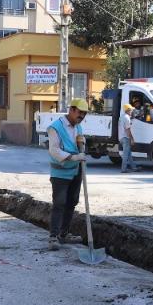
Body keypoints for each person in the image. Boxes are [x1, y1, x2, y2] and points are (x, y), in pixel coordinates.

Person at [45, 98, 89, 249]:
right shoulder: (55, 127)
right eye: (80, 113)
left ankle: (64, 234)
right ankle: (53, 237)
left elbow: (79, 145)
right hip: (60, 173)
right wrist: (74, 157)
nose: (81, 116)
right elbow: (54, 150)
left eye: (84, 114)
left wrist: (82, 145)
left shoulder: (78, 127)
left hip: (75, 171)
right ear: (71, 110)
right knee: (59, 203)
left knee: (72, 202)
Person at [119, 103, 140, 173]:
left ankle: (134, 167)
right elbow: (128, 130)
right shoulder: (127, 118)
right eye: (130, 110)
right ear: (127, 110)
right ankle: (123, 169)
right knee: (125, 154)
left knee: (128, 154)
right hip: (126, 137)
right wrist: (132, 139)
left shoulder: (122, 117)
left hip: (121, 137)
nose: (131, 111)